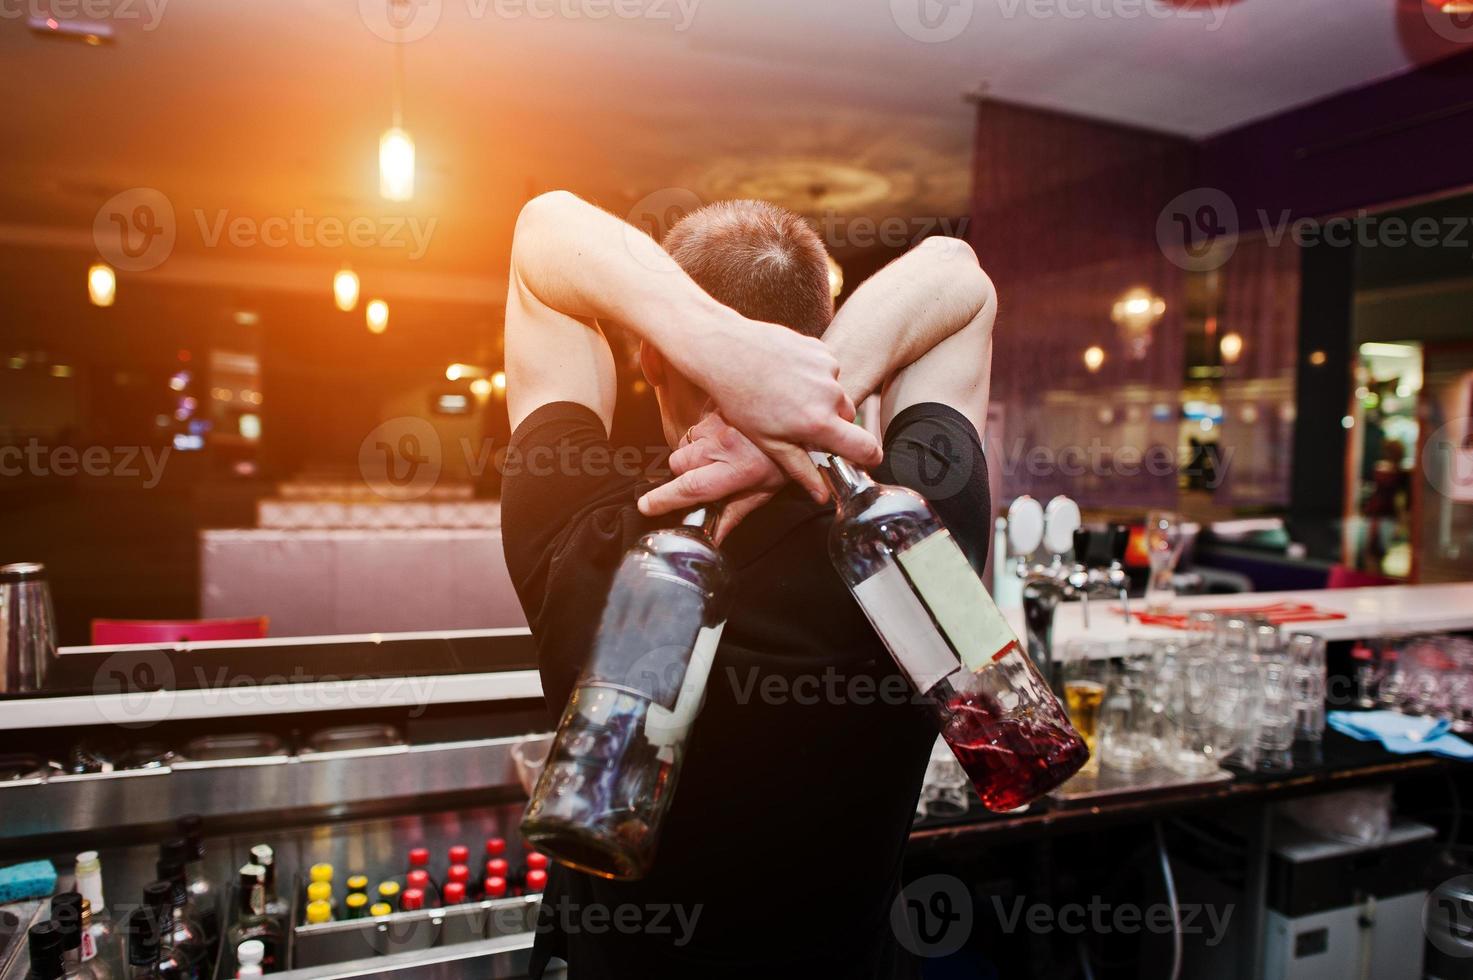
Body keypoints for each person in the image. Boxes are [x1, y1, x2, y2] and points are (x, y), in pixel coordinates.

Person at [501, 190, 996, 978]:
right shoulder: (919, 538)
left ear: (651, 358)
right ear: (815, 354)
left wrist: (721, 361)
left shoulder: (582, 528)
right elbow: (956, 277)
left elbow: (542, 238)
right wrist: (788, 405)